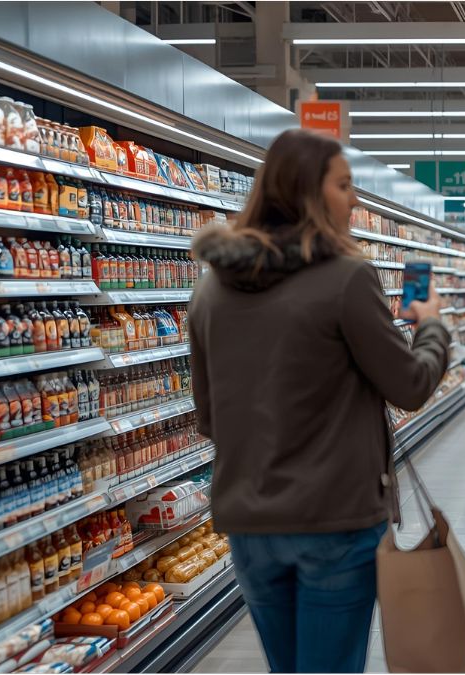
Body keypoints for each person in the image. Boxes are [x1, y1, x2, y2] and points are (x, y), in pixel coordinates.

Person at [189, 129, 450, 673]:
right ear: (307, 191)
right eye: (344, 185)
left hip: (250, 523)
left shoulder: (211, 288)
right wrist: (432, 328)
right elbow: (411, 386)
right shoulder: (347, 278)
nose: (354, 199)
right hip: (335, 520)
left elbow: (210, 418)